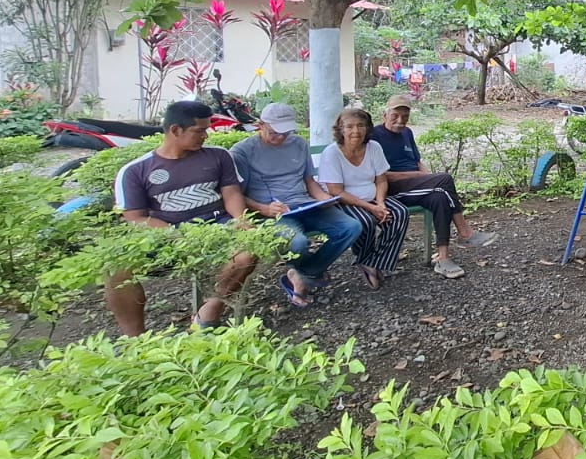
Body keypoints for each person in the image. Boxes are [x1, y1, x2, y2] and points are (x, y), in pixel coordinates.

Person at [108, 99, 259, 335]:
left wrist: (241, 219)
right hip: (167, 235)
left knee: (248, 251)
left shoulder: (218, 156)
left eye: (207, 130)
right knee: (116, 269)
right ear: (175, 130)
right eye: (199, 131)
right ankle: (135, 339)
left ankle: (209, 310)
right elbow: (135, 217)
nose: (205, 136)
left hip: (217, 226)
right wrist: (173, 234)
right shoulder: (135, 171)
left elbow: (231, 193)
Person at [229, 102, 363, 309]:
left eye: (286, 132)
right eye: (275, 133)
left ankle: (302, 274)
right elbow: (235, 194)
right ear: (260, 125)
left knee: (351, 227)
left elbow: (309, 181)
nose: (281, 137)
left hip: (305, 204)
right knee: (298, 244)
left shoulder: (298, 143)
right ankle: (306, 274)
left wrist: (323, 198)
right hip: (272, 213)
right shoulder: (242, 152)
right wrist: (264, 209)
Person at [371, 94, 496, 278]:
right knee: (444, 179)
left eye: (405, 116)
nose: (400, 120)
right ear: (385, 115)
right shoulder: (375, 136)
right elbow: (379, 176)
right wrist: (419, 176)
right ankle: (465, 232)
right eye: (395, 116)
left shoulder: (407, 133)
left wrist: (427, 176)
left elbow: (417, 161)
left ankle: (443, 259)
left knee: (439, 196)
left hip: (416, 185)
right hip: (393, 189)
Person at [317, 108, 411, 290]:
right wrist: (371, 208)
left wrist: (381, 203)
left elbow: (381, 179)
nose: (356, 131)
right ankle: (367, 260)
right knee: (365, 221)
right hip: (345, 200)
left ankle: (372, 261)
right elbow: (336, 191)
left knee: (399, 213)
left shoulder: (373, 147)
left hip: (373, 196)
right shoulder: (332, 153)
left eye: (361, 125)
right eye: (349, 126)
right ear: (340, 129)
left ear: (368, 128)